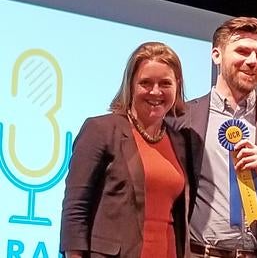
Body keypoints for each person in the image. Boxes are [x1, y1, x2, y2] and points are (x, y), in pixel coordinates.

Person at [170, 17, 257, 258]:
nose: (252, 61)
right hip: (199, 253)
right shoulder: (183, 118)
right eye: (243, 51)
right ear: (216, 55)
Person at [60, 42, 193, 258]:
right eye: (146, 83)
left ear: (177, 86)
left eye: (165, 83)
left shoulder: (179, 141)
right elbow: (76, 207)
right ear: (130, 84)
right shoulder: (100, 130)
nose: (156, 91)